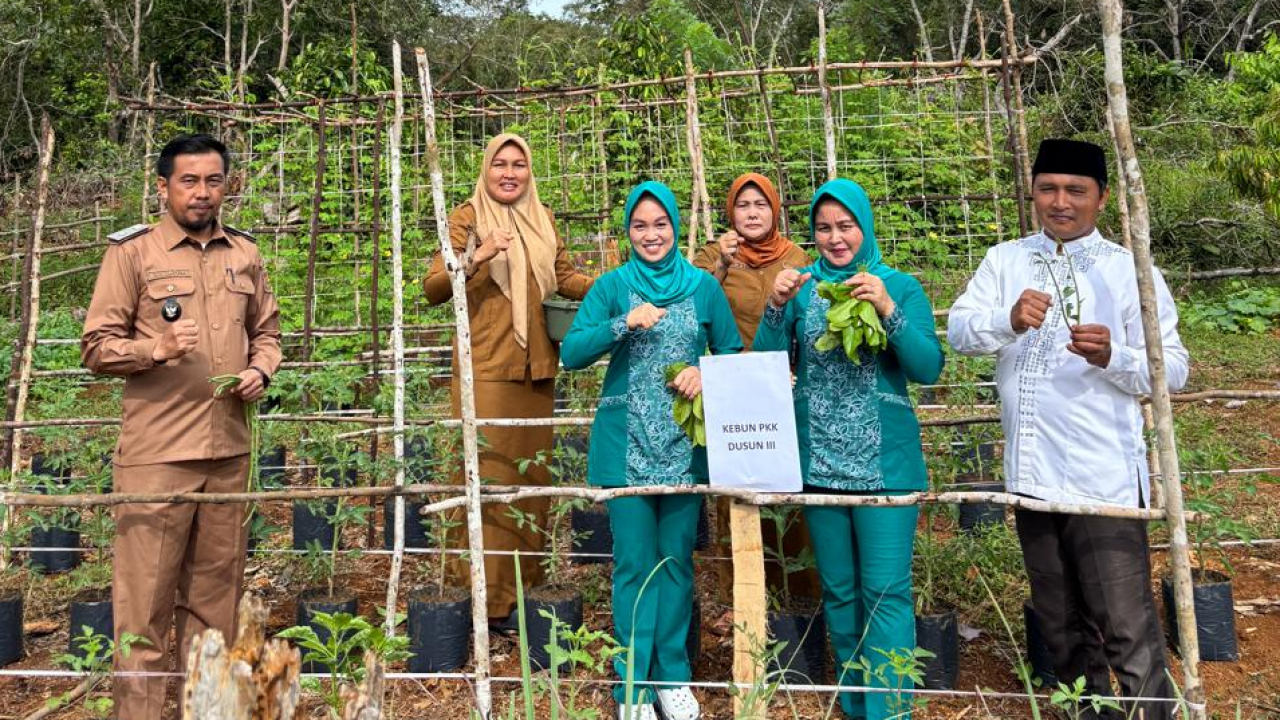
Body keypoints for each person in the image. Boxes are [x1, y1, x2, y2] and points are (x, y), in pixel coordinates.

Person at [947, 138, 1188, 720]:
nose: (1061, 201)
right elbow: (958, 329)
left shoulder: (1130, 271)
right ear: (1032, 193)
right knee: (1059, 625)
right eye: (1048, 189)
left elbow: (1173, 369)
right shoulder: (1004, 261)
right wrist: (1006, 320)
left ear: (1101, 198)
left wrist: (1119, 356)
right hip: (1031, 475)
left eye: (1075, 190)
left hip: (1100, 479)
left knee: (1125, 624)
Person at [81, 133, 282, 720]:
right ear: (163, 187)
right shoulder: (133, 254)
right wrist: (156, 348)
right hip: (158, 453)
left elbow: (268, 333)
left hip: (228, 451)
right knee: (142, 609)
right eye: (189, 181)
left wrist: (259, 371)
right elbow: (96, 346)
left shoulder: (243, 253)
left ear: (228, 185)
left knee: (215, 603)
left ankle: (206, 711)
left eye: (213, 181)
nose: (202, 193)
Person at [754, 178, 944, 720]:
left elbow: (927, 368)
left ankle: (890, 711)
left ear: (864, 227)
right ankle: (860, 707)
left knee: (885, 593)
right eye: (823, 228)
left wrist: (887, 309)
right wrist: (774, 305)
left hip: (886, 466)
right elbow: (764, 367)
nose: (835, 238)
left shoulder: (897, 284)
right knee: (839, 593)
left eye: (845, 226)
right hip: (819, 463)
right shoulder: (804, 287)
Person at [561, 181, 741, 720]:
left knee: (676, 564)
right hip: (626, 446)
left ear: (676, 227)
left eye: (659, 224)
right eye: (639, 226)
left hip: (685, 444)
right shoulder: (614, 287)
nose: (651, 234)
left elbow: (732, 351)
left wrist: (703, 372)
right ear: (627, 232)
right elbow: (571, 351)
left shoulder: (704, 287)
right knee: (634, 565)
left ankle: (672, 679)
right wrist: (623, 323)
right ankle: (632, 688)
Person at [423, 133, 593, 632]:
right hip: (488, 371)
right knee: (488, 479)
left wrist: (616, 281)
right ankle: (483, 599)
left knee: (532, 483)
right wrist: (478, 254)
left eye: (519, 164)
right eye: (500, 164)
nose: (510, 173)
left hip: (537, 370)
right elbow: (435, 286)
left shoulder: (542, 219)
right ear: (486, 168)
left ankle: (522, 594)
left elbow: (564, 278)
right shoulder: (467, 217)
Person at [692, 172, 819, 602]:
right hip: (731, 388)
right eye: (743, 206)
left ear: (775, 209)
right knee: (737, 490)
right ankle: (742, 598)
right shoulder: (714, 255)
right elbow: (692, 304)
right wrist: (722, 265)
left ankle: (796, 596)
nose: (751, 213)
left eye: (760, 205)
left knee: (787, 488)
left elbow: (808, 319)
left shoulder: (797, 257)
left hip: (784, 385)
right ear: (730, 212)